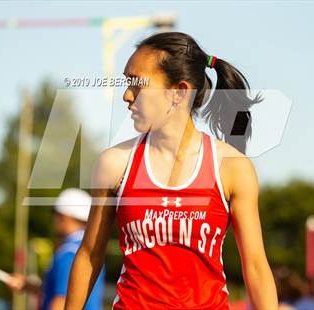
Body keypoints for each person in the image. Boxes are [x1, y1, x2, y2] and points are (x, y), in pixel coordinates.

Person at [65, 31, 278, 309]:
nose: (127, 95)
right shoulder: (114, 163)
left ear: (179, 92)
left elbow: (256, 267)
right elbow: (90, 254)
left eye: (138, 84)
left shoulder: (232, 168)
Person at [9, 188, 106, 310]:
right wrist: (27, 286)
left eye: (55, 213)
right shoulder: (90, 249)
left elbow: (62, 300)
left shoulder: (70, 253)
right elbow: (63, 288)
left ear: (65, 216)